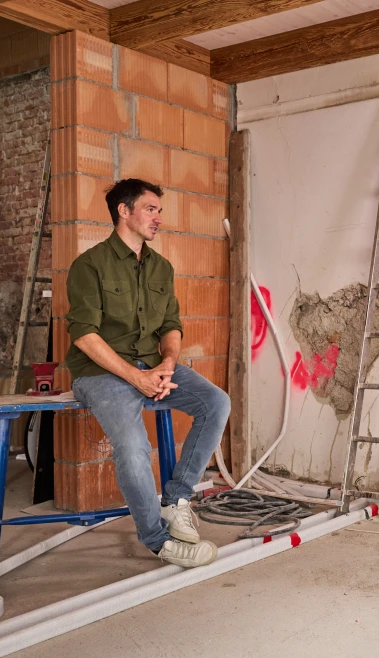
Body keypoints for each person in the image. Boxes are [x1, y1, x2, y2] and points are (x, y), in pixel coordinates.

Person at [65, 178, 230, 568]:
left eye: (159, 210)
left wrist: (167, 363)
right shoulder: (89, 265)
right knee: (134, 446)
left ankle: (176, 500)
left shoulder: (161, 268)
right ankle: (158, 541)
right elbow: (84, 335)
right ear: (124, 211)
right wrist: (135, 377)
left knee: (215, 402)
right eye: (150, 209)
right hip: (100, 373)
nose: (159, 218)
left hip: (150, 367)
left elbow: (171, 326)